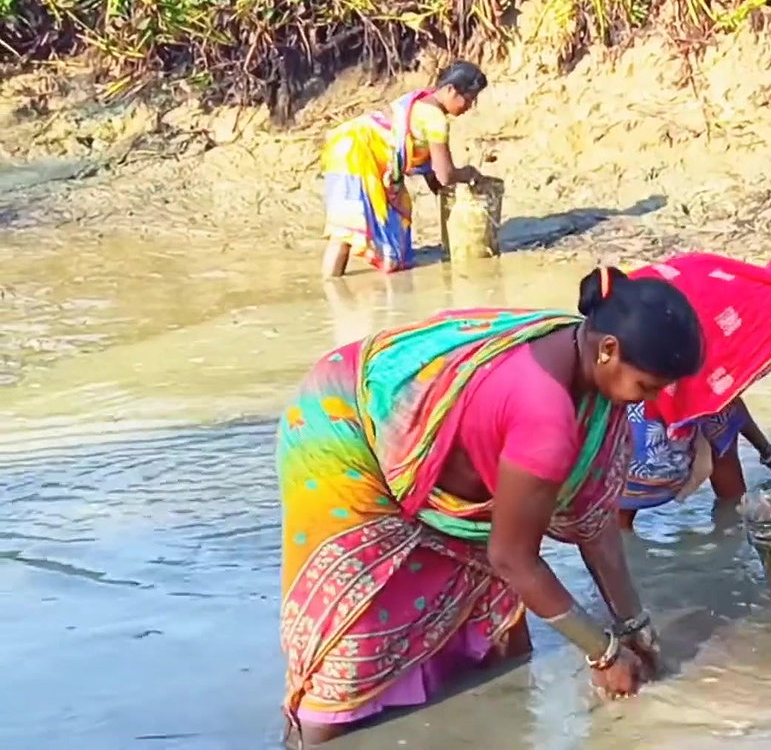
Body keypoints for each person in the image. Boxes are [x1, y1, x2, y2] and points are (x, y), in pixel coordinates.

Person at [277, 267, 704, 745]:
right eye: (648, 386)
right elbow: (511, 557)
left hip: (440, 458)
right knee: (355, 642)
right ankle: (312, 736)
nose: (653, 400)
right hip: (343, 431)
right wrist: (603, 654)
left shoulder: (580, 353)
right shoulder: (544, 416)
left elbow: (594, 518)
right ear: (608, 350)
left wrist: (633, 625)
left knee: (500, 631)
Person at [617, 240, 771, 531]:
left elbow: (721, 391)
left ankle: (730, 531)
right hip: (645, 367)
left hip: (623, 339)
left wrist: (769, 453)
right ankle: (728, 541)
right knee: (625, 505)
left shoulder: (739, 288)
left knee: (720, 423)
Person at [320, 61, 488, 278]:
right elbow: (444, 175)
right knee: (345, 231)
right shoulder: (435, 119)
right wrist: (469, 174)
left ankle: (334, 288)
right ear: (450, 90)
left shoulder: (422, 102)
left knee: (353, 228)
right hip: (356, 153)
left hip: (345, 145)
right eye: (469, 99)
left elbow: (432, 175)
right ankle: (333, 289)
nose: (469, 107)